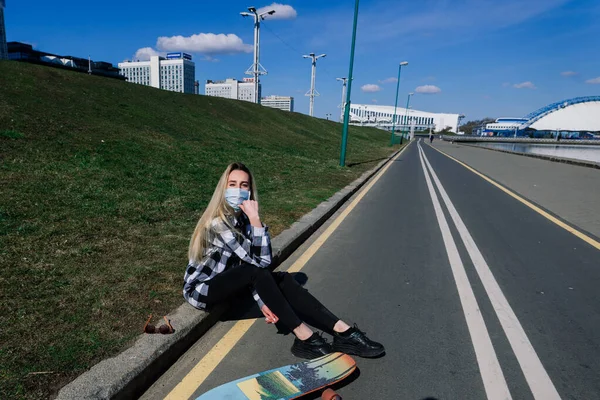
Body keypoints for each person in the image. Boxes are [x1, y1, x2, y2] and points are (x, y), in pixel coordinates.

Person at [183, 162, 385, 359]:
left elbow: (250, 266)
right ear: (223, 189)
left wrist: (262, 300)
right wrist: (256, 221)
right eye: (232, 184)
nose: (238, 190)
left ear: (250, 191)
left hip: (233, 284)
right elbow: (260, 264)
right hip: (204, 290)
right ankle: (306, 337)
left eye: (244, 185)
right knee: (261, 273)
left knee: (283, 280)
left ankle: (343, 332)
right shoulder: (218, 223)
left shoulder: (242, 219)